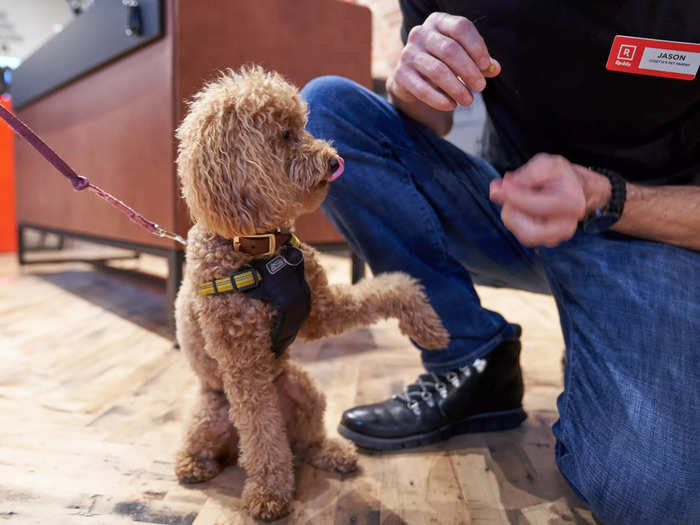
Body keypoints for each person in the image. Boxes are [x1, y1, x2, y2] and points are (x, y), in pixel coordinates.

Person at [300, 1, 699, 523]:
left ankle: (605, 335)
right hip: (512, 208)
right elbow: (428, 121)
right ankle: (471, 361)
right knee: (328, 113)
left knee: (655, 495)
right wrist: (413, 84)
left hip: (655, 229)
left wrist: (605, 196)